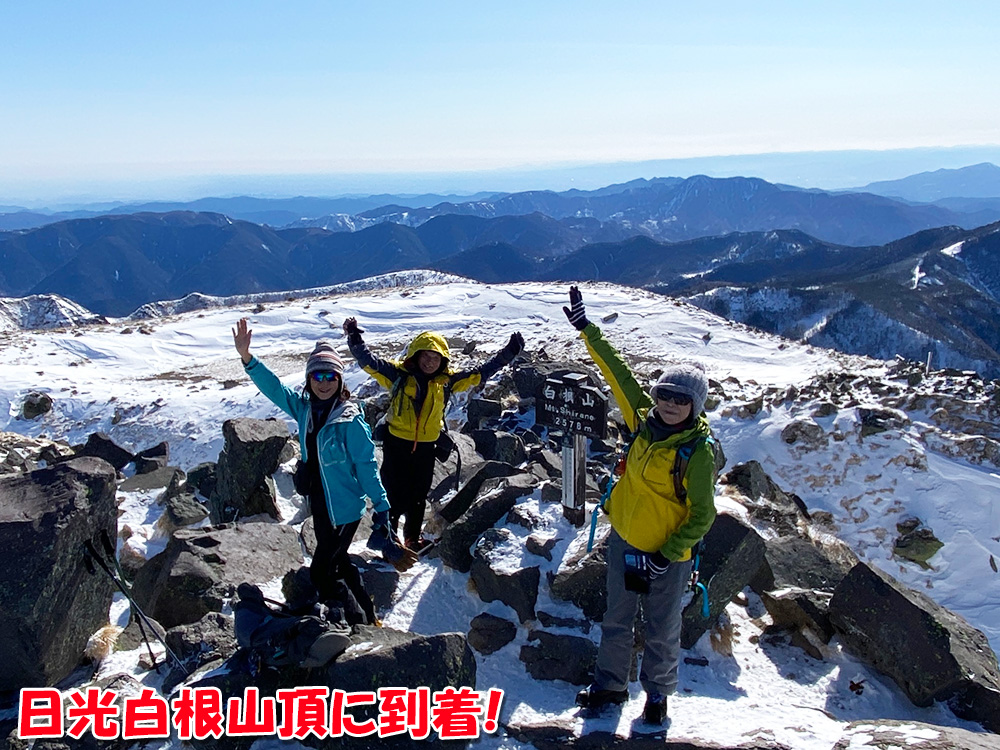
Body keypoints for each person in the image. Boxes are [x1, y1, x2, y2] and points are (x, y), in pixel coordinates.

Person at [563, 286, 718, 726]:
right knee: (618, 617)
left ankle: (657, 696)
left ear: (695, 405)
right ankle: (610, 687)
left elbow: (703, 514)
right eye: (666, 395)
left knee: (662, 627)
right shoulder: (642, 420)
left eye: (681, 399)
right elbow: (617, 371)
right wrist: (585, 329)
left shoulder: (699, 452)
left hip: (668, 557)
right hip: (628, 543)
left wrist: (668, 554)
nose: (670, 405)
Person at [232, 318, 415, 626]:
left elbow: (367, 467)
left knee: (321, 570)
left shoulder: (350, 420)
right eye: (318, 374)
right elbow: (274, 388)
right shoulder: (304, 408)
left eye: (331, 375)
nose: (324, 381)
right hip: (318, 502)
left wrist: (382, 507)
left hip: (344, 510)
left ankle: (350, 620)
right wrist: (248, 359)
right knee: (340, 562)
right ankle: (369, 617)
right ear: (309, 378)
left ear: (340, 381)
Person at [343, 317, 524, 551]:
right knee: (393, 493)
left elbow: (480, 373)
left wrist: (507, 354)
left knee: (419, 494)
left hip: (427, 446)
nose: (430, 362)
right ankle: (387, 538)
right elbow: (368, 361)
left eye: (435, 357)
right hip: (396, 443)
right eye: (426, 356)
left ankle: (412, 538)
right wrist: (354, 338)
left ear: (443, 360)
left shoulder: (447, 381)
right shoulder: (398, 374)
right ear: (416, 355)